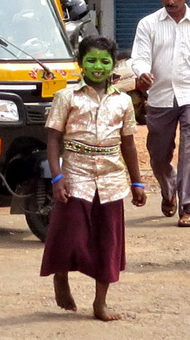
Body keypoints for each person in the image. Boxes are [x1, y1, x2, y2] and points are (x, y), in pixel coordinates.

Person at [40, 34, 146, 322]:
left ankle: (100, 303)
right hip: (75, 175)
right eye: (91, 60)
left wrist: (137, 182)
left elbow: (128, 145)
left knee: (108, 243)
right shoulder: (66, 97)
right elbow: (53, 139)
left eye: (104, 61)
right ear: (80, 63)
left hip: (112, 180)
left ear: (113, 65)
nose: (97, 66)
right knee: (70, 234)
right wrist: (57, 177)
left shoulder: (123, 102)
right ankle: (60, 274)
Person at [131, 0, 190, 227]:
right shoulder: (148, 24)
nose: (171, 1)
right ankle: (168, 187)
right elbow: (138, 57)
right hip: (161, 96)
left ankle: (188, 206)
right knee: (159, 154)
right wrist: (142, 72)